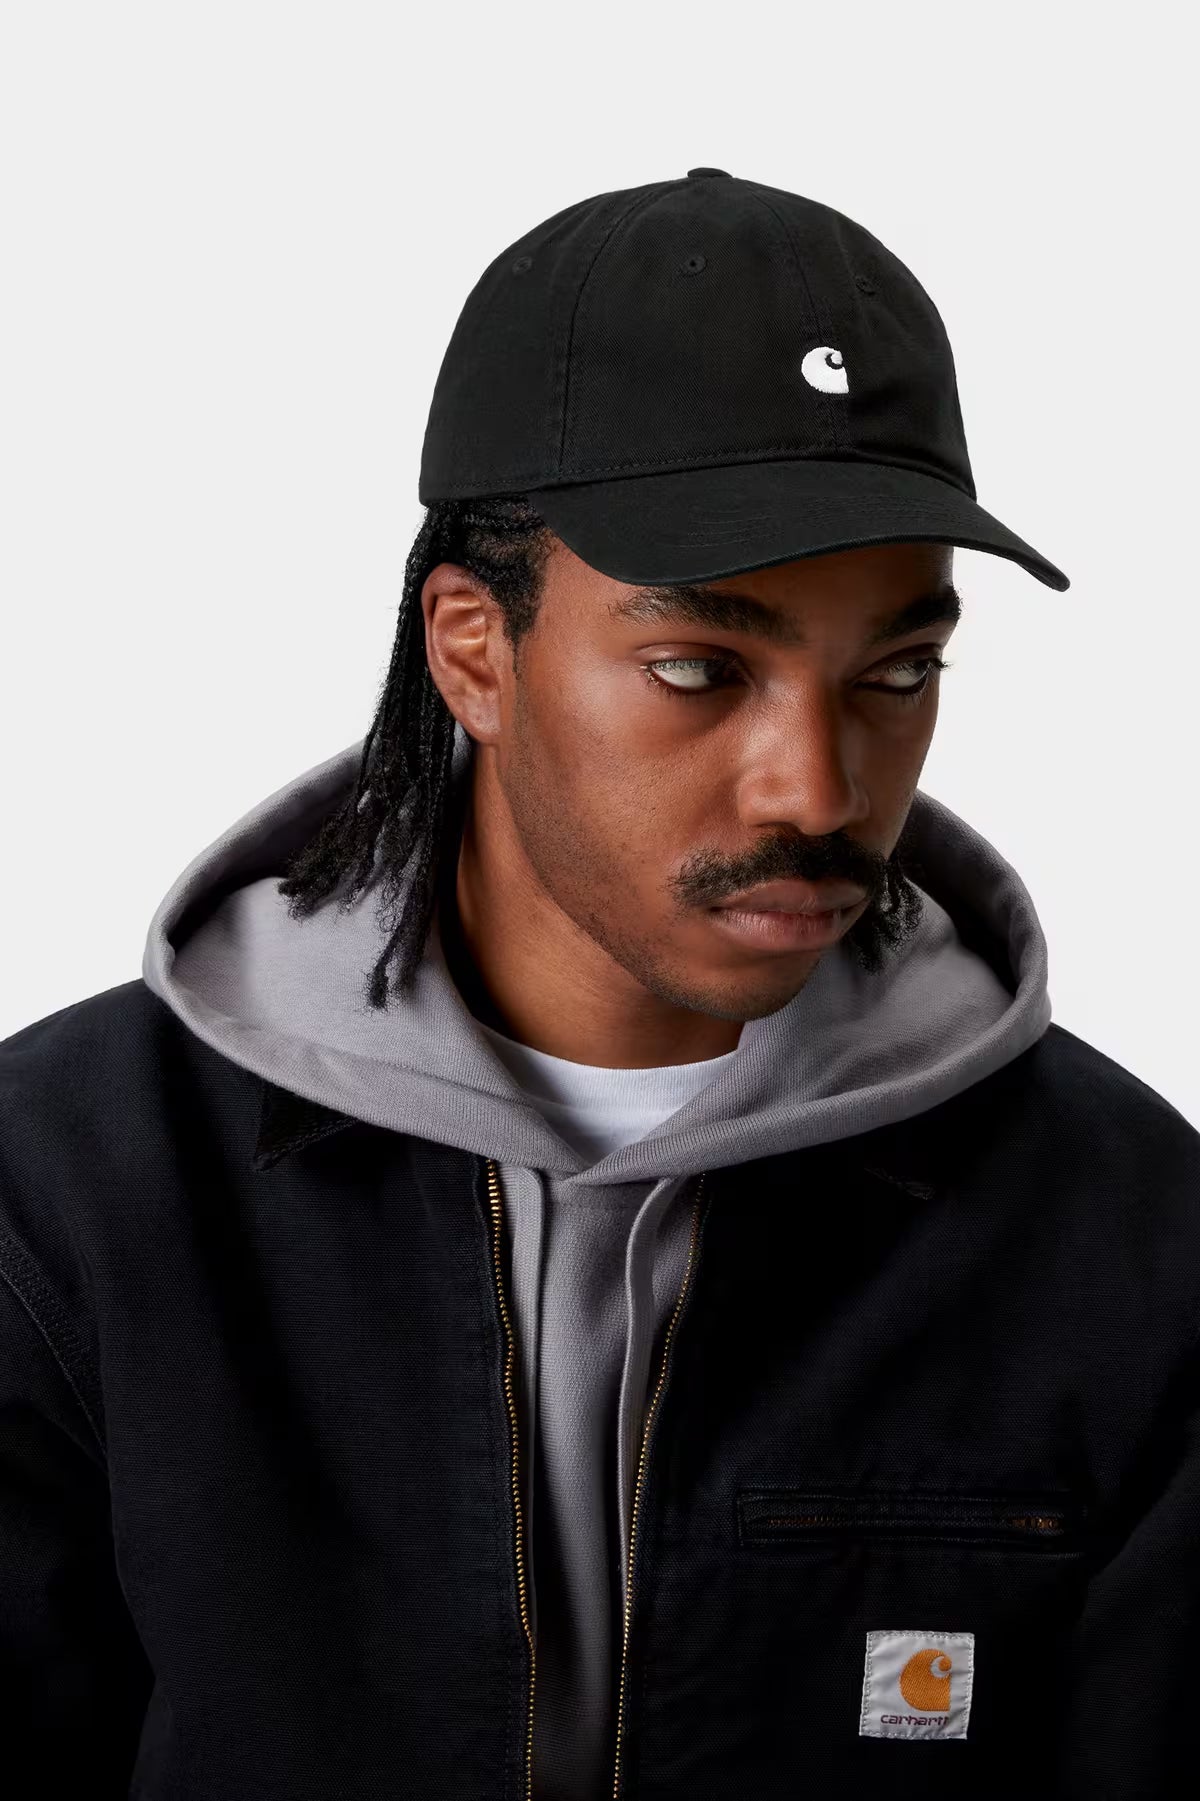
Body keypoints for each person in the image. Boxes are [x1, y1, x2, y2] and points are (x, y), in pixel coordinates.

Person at [1, 169, 1196, 1801]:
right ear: (473, 650)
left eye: (898, 671)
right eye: (700, 667)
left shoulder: (1128, 1233)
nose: (818, 786)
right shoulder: (71, 1198)